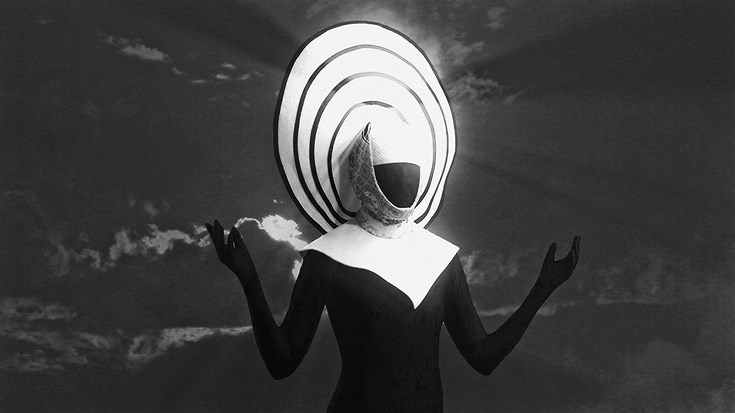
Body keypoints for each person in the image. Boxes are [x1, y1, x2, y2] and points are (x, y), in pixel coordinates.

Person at [205, 119, 581, 412]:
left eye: (410, 174)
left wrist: (543, 289)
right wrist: (249, 280)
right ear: (365, 174)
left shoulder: (440, 258)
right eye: (393, 173)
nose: (405, 184)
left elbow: (482, 357)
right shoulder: (327, 257)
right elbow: (283, 362)